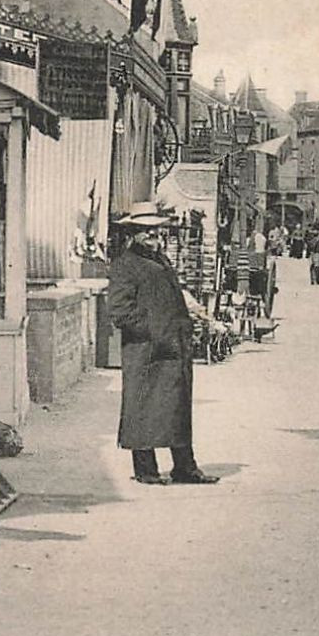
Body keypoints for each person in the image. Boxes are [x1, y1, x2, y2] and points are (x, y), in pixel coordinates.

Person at [107, 203, 219, 486]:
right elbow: (119, 311)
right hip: (146, 351)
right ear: (133, 234)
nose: (154, 238)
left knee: (176, 408)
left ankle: (185, 467)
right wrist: (155, 331)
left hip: (173, 348)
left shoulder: (161, 260)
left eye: (157, 232)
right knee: (143, 408)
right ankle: (146, 470)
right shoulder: (126, 264)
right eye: (147, 232)